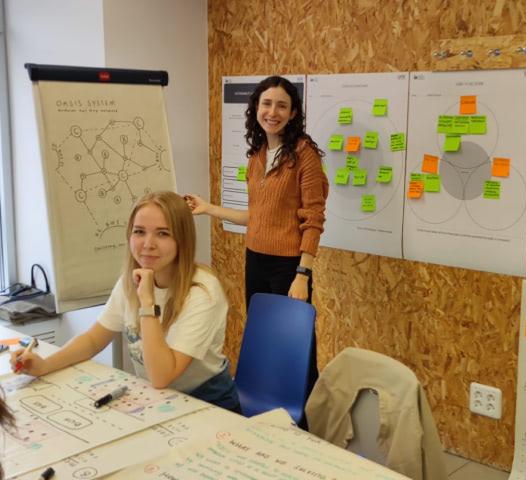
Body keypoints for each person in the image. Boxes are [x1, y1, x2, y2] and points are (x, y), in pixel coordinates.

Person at [10, 191, 241, 413]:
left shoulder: (202, 291)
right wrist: (44, 365)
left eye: (163, 233)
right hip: (161, 398)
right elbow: (92, 340)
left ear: (182, 240)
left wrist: (147, 303)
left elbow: (161, 376)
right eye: (139, 232)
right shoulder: (131, 280)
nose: (147, 243)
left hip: (207, 400)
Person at [185, 75, 328, 307]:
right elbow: (256, 217)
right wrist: (208, 208)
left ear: (292, 114)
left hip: (289, 265)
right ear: (256, 107)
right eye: (267, 103)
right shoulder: (257, 155)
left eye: (282, 106)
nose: (273, 112)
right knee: (260, 334)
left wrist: (302, 274)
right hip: (255, 259)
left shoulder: (305, 155)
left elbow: (314, 219)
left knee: (290, 338)